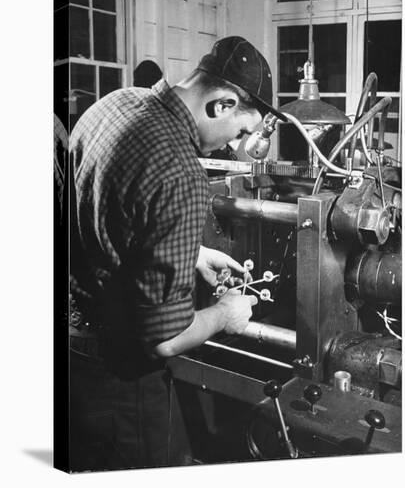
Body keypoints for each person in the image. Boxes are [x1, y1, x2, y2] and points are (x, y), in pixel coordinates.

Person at [69, 36, 282, 471]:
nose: (239, 143)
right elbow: (164, 340)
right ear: (222, 104)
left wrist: (194, 253)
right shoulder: (182, 171)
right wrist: (226, 314)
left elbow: (107, 216)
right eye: (242, 130)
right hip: (120, 374)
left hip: (70, 351)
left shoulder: (114, 104)